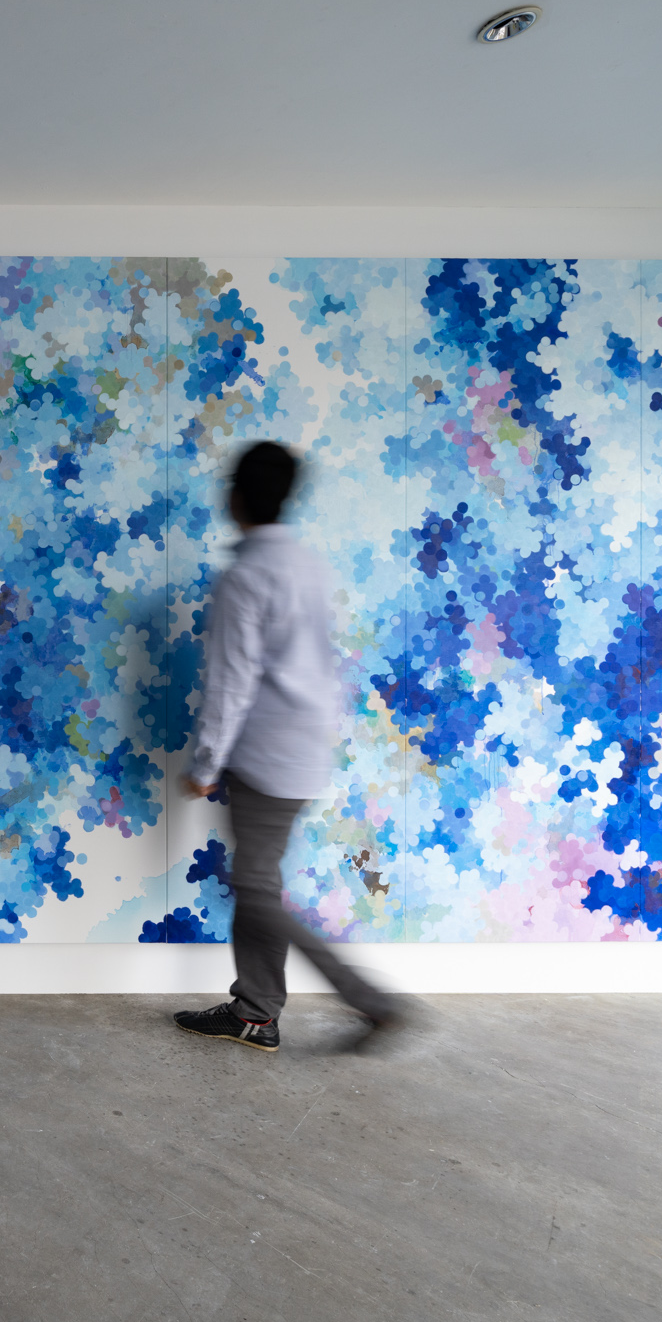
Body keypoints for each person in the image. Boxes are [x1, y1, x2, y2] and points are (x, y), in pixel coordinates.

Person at [175, 441, 399, 1053]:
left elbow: (231, 682)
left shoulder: (245, 578)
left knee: (254, 889)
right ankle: (256, 1013)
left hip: (264, 758)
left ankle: (370, 1000)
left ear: (236, 497)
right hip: (304, 751)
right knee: (259, 883)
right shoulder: (308, 566)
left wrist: (205, 763)